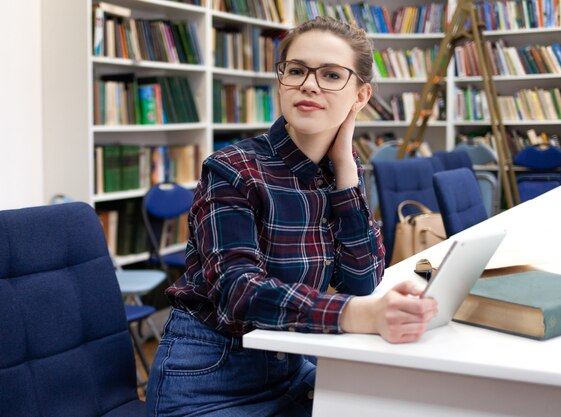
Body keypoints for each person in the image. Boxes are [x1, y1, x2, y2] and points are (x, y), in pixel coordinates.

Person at [146, 16, 438, 417]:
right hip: (211, 377)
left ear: (361, 95)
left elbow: (362, 279)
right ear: (281, 80)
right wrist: (358, 315)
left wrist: (346, 172)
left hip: (293, 364)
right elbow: (240, 292)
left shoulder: (344, 168)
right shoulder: (231, 168)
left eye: (332, 74)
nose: (309, 84)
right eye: (296, 70)